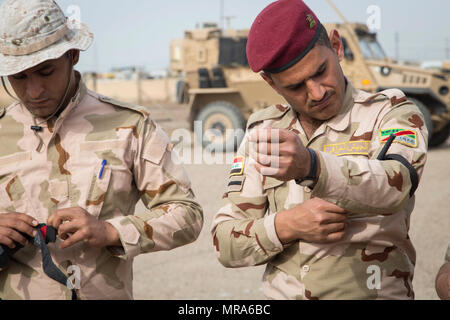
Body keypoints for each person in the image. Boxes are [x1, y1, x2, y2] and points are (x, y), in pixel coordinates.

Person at [211, 0, 428, 300]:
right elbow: (225, 243)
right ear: (271, 83)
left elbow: (397, 184)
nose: (317, 92)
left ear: (337, 46)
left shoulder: (390, 113)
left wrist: (312, 166)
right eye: (296, 86)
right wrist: (285, 226)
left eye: (321, 71)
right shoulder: (263, 132)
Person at [0, 0, 203, 300]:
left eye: (45, 72)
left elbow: (188, 215)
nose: (34, 92)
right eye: (19, 77)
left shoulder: (131, 126)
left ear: (72, 55)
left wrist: (112, 232)